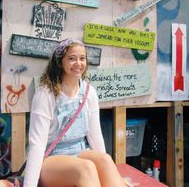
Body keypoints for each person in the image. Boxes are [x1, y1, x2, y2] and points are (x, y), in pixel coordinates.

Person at [23, 38, 129, 187]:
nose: (78, 64)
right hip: (51, 160)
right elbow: (37, 144)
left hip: (80, 151)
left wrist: (105, 169)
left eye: (82, 58)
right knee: (86, 168)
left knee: (104, 159)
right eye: (72, 59)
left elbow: (95, 135)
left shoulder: (88, 92)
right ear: (60, 62)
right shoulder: (45, 94)